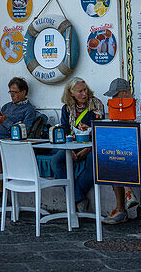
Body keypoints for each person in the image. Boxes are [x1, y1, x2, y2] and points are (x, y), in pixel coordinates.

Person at [55, 76, 104, 210]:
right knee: (56, 161)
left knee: (93, 161)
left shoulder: (96, 104)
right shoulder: (67, 108)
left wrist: (88, 147)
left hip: (91, 145)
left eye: (85, 90)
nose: (84, 94)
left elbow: (100, 130)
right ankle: (79, 198)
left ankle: (77, 197)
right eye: (80, 91)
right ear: (71, 93)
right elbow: (65, 129)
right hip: (72, 144)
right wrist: (69, 149)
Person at [101, 77, 138, 224]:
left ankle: (122, 208)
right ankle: (127, 197)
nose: (113, 98)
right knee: (113, 161)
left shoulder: (137, 106)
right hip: (124, 153)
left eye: (115, 95)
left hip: (138, 151)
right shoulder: (115, 109)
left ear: (124, 93)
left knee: (117, 162)